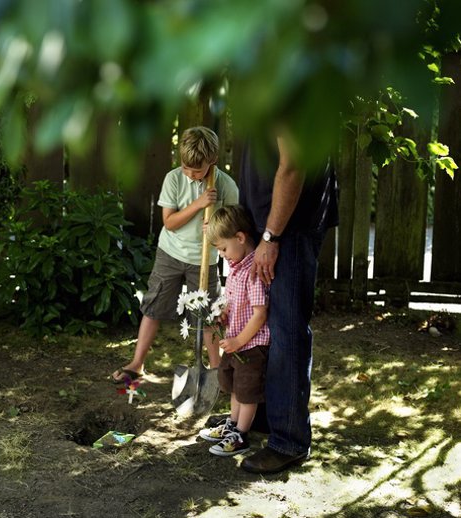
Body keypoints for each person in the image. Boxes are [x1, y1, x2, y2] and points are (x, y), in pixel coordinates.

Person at [237, 135, 338, 474]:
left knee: (286, 331)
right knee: (266, 326)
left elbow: (293, 164)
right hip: (272, 228)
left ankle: (289, 440)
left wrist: (271, 236)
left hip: (287, 230)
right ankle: (267, 415)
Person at [111, 126, 239, 383]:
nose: (190, 173)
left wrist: (215, 227)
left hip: (204, 260)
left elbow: (233, 226)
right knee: (154, 306)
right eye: (186, 166)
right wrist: (199, 204)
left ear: (212, 161)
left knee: (209, 316)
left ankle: (217, 373)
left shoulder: (226, 186)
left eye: (197, 170)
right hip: (170, 253)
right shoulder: (174, 179)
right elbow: (169, 222)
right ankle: (137, 363)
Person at [198, 205, 270, 456]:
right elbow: (236, 302)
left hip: (251, 345)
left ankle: (241, 435)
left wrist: (239, 340)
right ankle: (233, 423)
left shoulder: (253, 272)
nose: (223, 254)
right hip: (236, 341)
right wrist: (223, 315)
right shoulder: (237, 267)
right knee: (236, 386)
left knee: (247, 391)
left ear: (240, 238)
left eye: (223, 248)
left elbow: (260, 313)